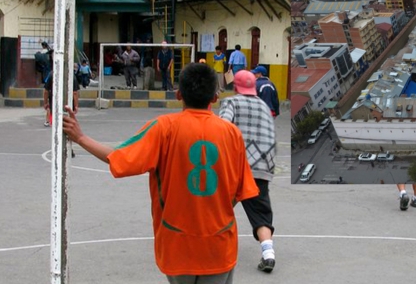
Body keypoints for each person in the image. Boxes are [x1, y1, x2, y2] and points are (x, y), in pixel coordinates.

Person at [62, 63, 259, 283]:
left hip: (176, 241)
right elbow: (241, 191)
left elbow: (117, 158)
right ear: (215, 97)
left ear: (178, 94)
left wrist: (80, 138)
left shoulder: (163, 128)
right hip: (219, 241)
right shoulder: (232, 134)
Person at [218, 70, 277, 274]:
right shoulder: (264, 106)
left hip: (236, 166)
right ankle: (268, 254)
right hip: (262, 167)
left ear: (236, 87)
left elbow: (222, 128)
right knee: (261, 213)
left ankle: (204, 246)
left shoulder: (231, 103)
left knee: (218, 208)